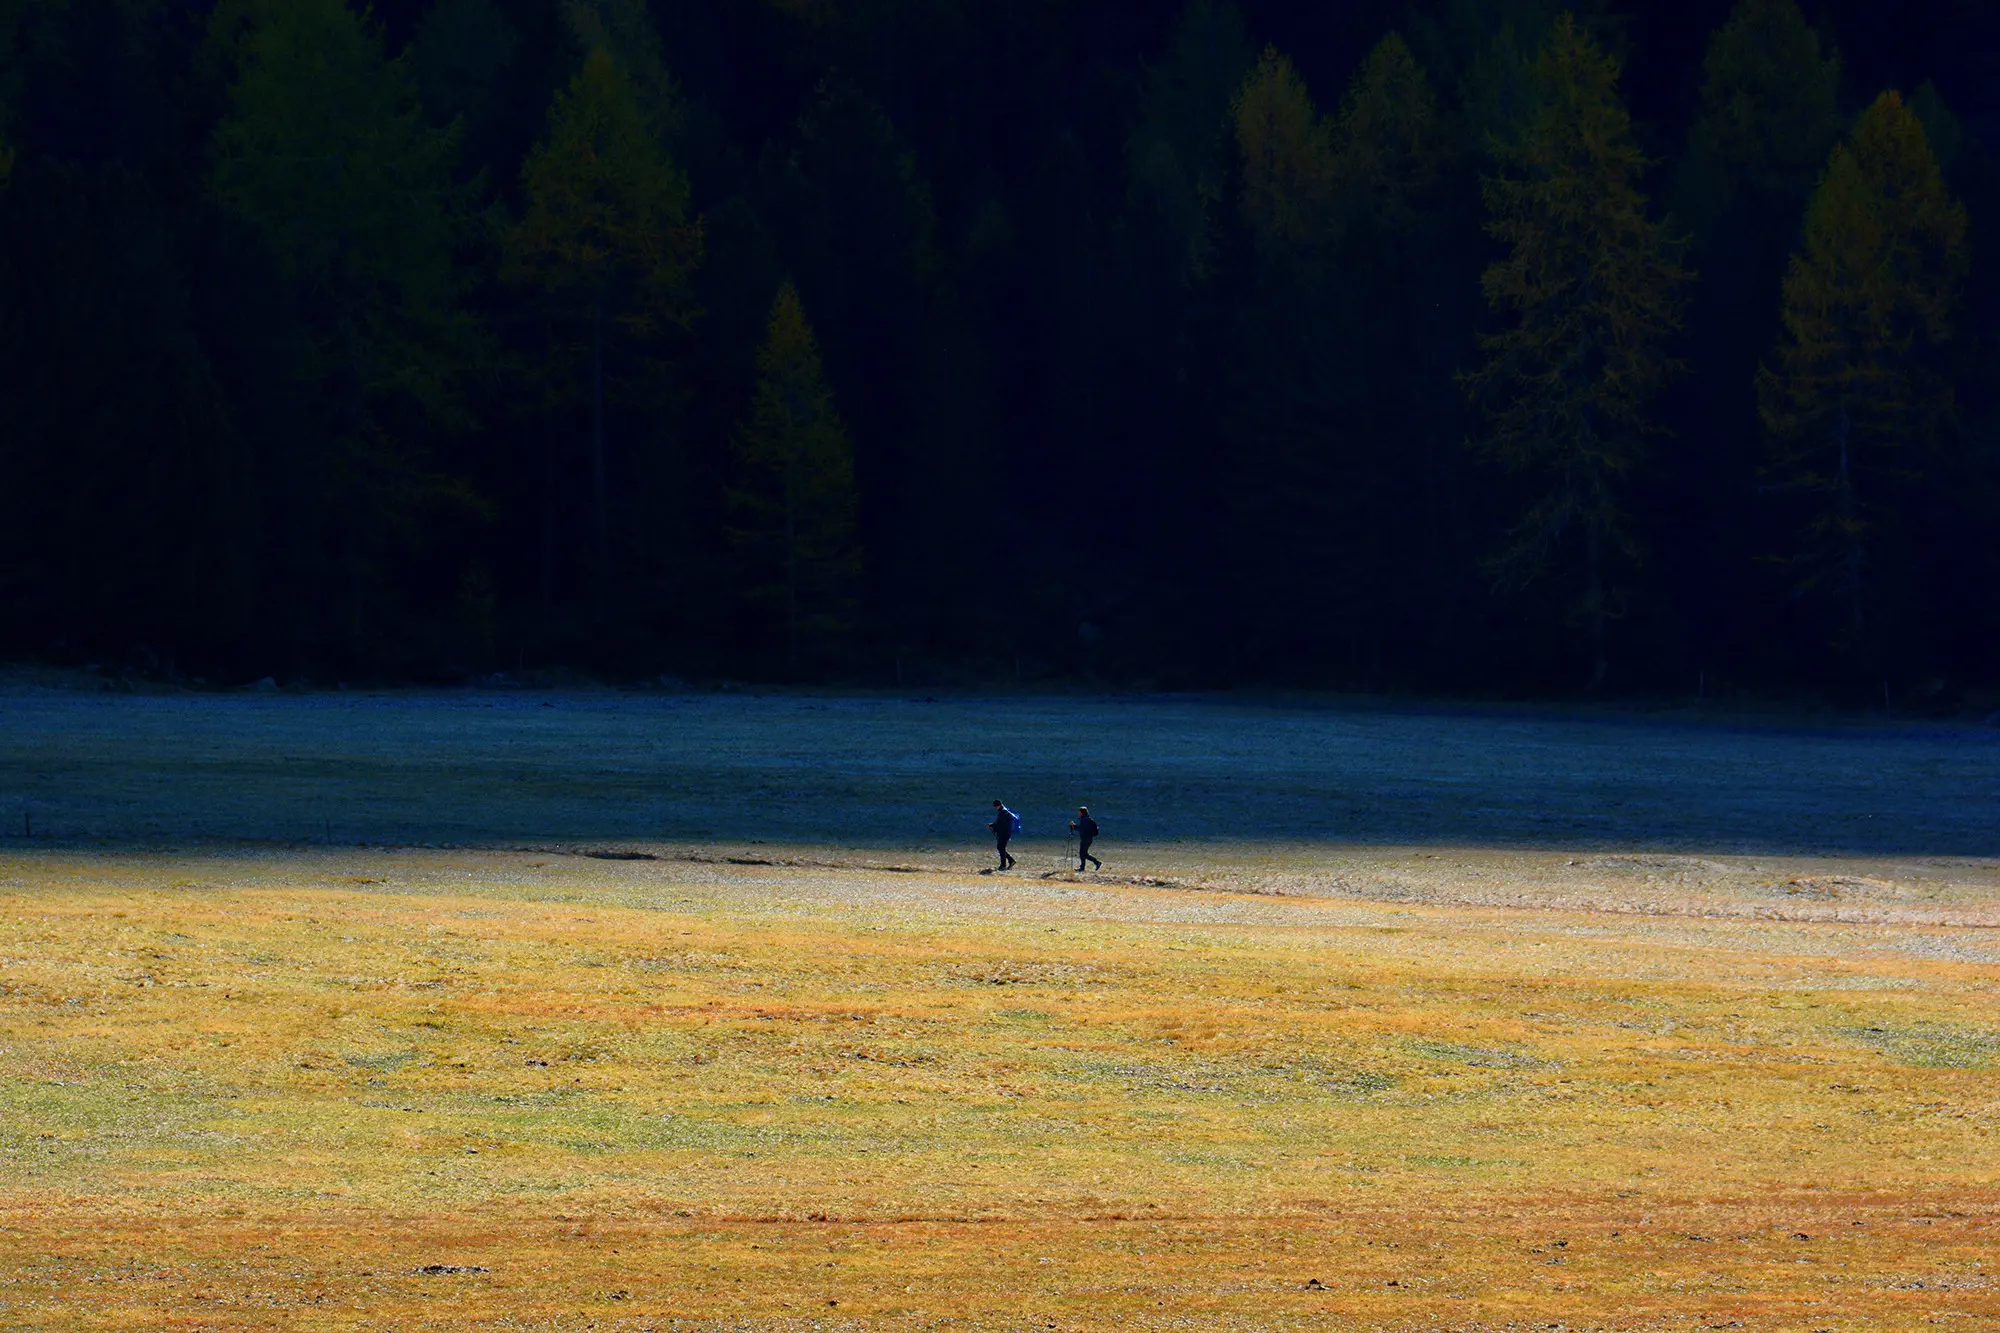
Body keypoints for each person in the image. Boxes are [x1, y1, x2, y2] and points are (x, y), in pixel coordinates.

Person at [988, 798, 1018, 869]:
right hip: (1006, 832)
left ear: (998, 805)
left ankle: (1003, 865)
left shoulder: (1003, 812)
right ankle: (1010, 861)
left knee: (1001, 848)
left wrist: (992, 825)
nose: (995, 808)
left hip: (1004, 833)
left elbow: (1001, 824)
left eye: (995, 806)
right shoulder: (1004, 811)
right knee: (1001, 848)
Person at [1070, 806, 1101, 871]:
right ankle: (1083, 867)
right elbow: (1083, 828)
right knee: (1083, 853)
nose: (1078, 813)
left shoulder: (1085, 819)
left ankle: (1096, 862)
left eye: (1079, 812)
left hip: (1086, 839)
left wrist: (1074, 826)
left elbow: (1082, 828)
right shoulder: (1087, 819)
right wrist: (1075, 826)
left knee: (1083, 854)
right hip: (1088, 838)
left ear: (1081, 812)